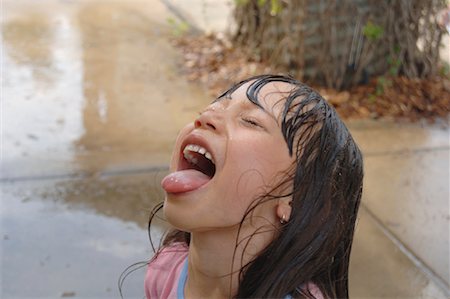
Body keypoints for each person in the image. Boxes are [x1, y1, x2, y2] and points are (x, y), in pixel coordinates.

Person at [144, 74, 364, 299]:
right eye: (211, 108)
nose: (207, 117)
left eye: (250, 121)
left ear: (295, 197)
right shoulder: (165, 269)